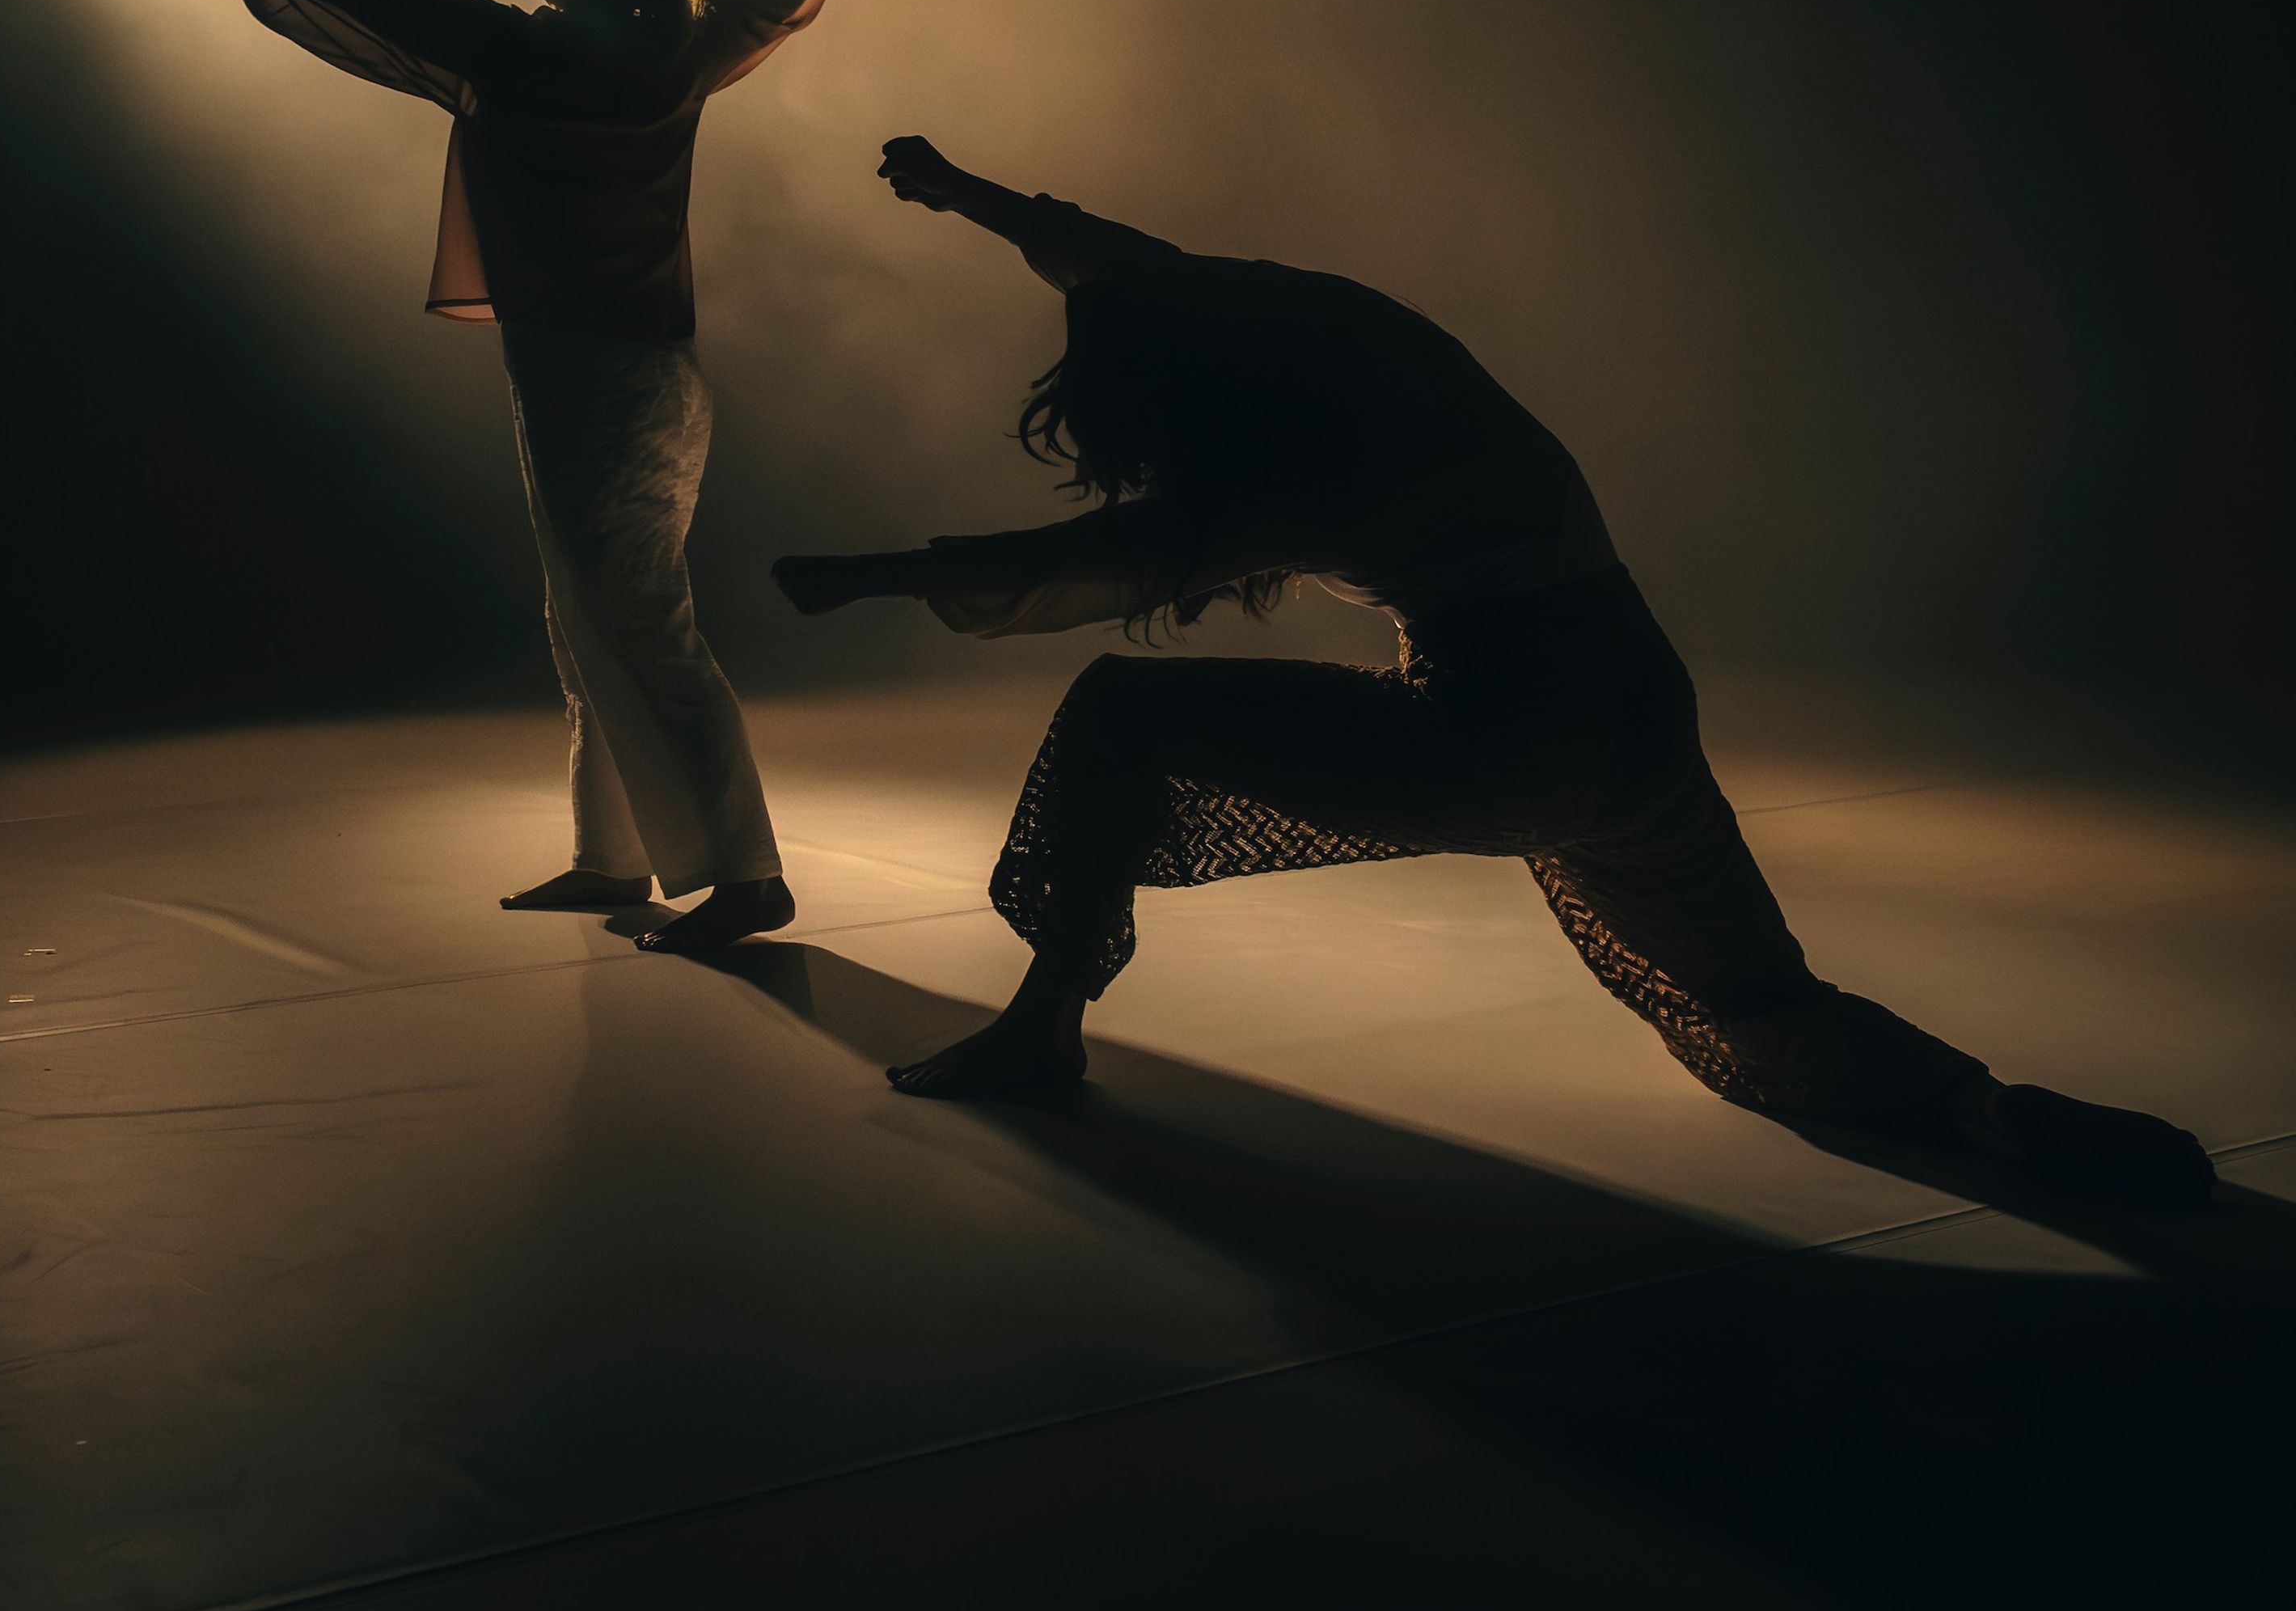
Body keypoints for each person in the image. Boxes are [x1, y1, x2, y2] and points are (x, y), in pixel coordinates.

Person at [769, 134, 2214, 1205]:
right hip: (1638, 705)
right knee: (1757, 1000)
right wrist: (966, 194)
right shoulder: (1339, 330)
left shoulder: (1314, 469)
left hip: (1514, 738)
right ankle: (1992, 1115)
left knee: (1123, 712)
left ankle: (1041, 1028)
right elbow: (1129, 263)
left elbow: (1109, 568)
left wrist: (873, 575)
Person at [99, 0, 869, 953]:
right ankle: (614, 858)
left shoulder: (521, 53)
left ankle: (747, 873)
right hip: (635, 374)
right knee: (595, 613)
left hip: (605, 377)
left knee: (634, 618)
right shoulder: (675, 46)